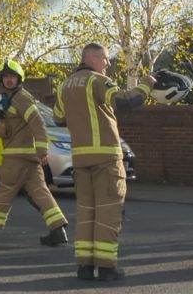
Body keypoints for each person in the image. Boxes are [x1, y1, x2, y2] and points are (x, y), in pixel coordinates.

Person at [53, 43, 155, 282]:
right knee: (109, 213)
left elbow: (58, 119)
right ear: (92, 58)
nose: (108, 64)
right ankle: (107, 268)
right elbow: (125, 101)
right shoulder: (97, 81)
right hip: (106, 158)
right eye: (105, 58)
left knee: (86, 212)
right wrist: (147, 83)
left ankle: (85, 267)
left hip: (80, 159)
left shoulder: (64, 85)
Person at [0, 59, 68, 246]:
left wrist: (42, 149)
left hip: (17, 157)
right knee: (40, 193)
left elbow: (38, 123)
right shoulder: (11, 99)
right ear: (1, 80)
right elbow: (8, 127)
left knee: (3, 190)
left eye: (13, 77)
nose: (9, 80)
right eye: (6, 77)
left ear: (20, 79)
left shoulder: (21, 98)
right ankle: (58, 230)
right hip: (27, 157)